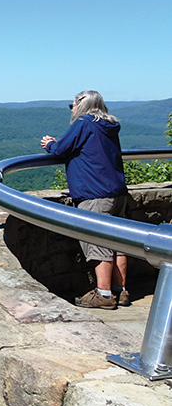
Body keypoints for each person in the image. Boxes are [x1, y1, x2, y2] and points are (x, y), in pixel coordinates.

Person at [40, 90, 129, 309]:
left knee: (98, 243)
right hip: (116, 191)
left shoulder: (84, 123)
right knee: (119, 243)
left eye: (72, 106)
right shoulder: (109, 125)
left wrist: (50, 144)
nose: (72, 110)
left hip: (94, 193)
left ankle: (104, 295)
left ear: (82, 105)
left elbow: (62, 149)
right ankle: (121, 291)